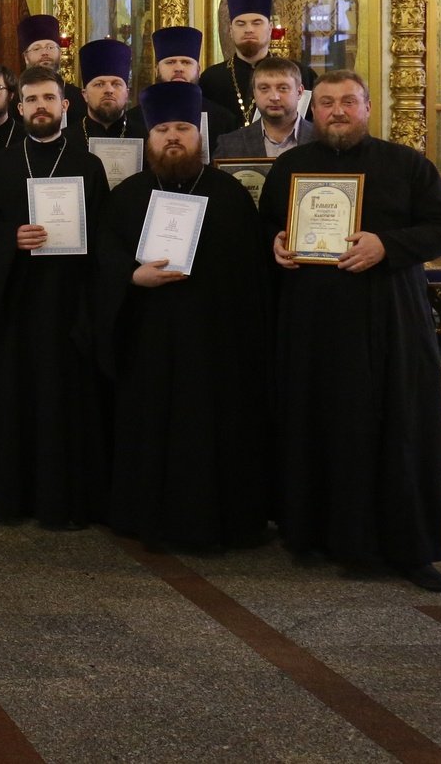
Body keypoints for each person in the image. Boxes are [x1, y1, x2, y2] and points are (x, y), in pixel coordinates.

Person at [258, 72, 441, 590]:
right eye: (326, 103)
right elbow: (265, 227)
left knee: (395, 427)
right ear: (313, 109)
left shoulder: (406, 164)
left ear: (368, 108)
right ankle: (318, 536)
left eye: (348, 102)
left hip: (390, 321)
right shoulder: (291, 166)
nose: (337, 112)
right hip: (313, 323)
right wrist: (277, 245)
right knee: (320, 423)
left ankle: (408, 548)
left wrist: (386, 246)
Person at [95, 82, 271, 550]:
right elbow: (103, 262)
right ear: (148, 137)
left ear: (200, 135)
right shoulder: (127, 196)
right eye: (163, 130)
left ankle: (216, 519)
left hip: (214, 343)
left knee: (211, 429)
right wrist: (133, 279)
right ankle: (143, 515)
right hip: (147, 337)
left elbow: (250, 275)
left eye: (183, 129)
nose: (173, 138)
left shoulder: (230, 196)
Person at [0, 64, 111, 529]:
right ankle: (15, 497)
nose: (40, 108)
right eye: (31, 100)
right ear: (19, 105)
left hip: (70, 303)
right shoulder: (4, 164)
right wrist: (10, 237)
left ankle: (64, 501)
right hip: (17, 303)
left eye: (49, 99)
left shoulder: (87, 164)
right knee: (16, 399)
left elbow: (106, 237)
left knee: (66, 402)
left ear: (65, 106)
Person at [202, 0, 316, 128]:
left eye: (257, 23)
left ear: (270, 28)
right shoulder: (211, 79)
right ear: (231, 30)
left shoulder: (301, 74)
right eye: (240, 24)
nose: (249, 29)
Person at [125, 26, 240, 142]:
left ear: (198, 70)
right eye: (170, 62)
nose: (178, 68)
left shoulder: (223, 119)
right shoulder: (132, 120)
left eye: (186, 62)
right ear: (156, 70)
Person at [213, 56, 314, 159]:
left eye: (283, 88)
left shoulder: (321, 139)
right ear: (254, 93)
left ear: (299, 92)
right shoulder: (229, 144)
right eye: (264, 88)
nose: (274, 97)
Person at [74, 39, 132, 142]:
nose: (109, 90)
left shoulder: (146, 139)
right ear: (85, 94)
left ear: (127, 93)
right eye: (99, 84)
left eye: (116, 84)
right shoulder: (66, 140)